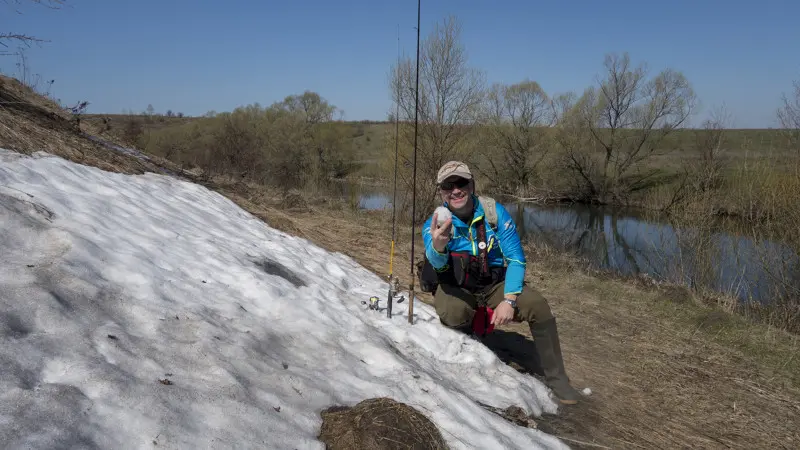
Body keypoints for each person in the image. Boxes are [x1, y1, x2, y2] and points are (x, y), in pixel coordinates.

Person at [421, 161, 581, 405]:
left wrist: (509, 300)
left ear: (472, 185)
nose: (456, 190)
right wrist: (439, 245)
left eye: (461, 183)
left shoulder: (494, 213)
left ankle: (558, 379)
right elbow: (438, 266)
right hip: (456, 285)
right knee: (453, 313)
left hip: (494, 284)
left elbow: (516, 258)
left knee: (538, 305)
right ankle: (472, 330)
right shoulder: (434, 223)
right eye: (448, 186)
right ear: (441, 192)